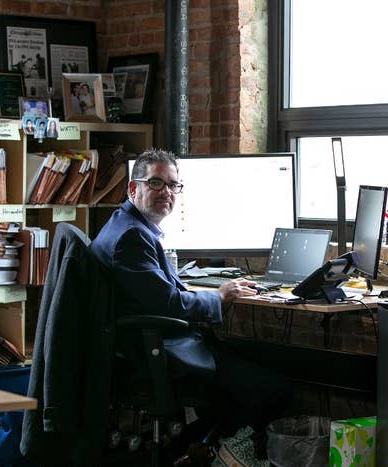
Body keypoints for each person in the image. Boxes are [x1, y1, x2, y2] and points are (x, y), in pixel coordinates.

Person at [90, 149, 291, 460]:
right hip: (158, 351)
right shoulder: (131, 238)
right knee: (273, 386)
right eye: (156, 183)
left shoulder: (127, 225)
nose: (166, 192)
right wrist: (221, 296)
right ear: (133, 188)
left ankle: (200, 446)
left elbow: (159, 293)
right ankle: (208, 450)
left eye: (173, 185)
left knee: (255, 359)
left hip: (149, 345)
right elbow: (169, 303)